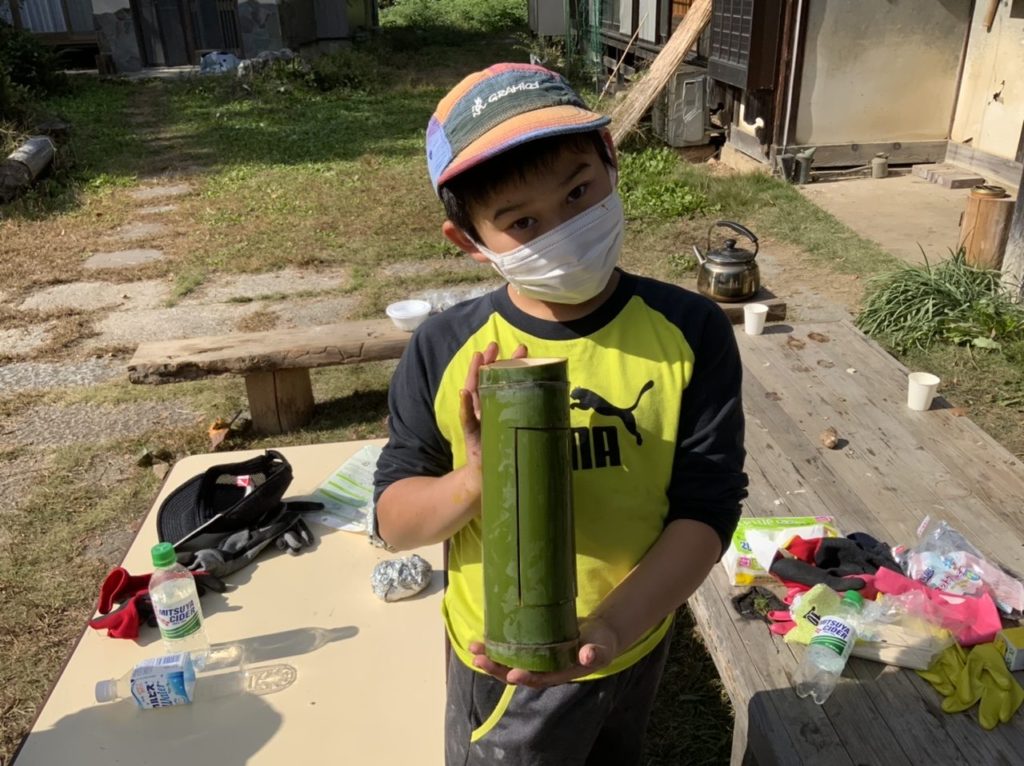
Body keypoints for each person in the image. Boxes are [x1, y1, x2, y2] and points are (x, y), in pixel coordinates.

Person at [372, 62, 748, 765]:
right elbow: (395, 522)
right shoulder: (446, 349)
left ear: (611, 162)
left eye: (578, 192)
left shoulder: (691, 331)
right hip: (502, 661)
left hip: (633, 635)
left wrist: (614, 627)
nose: (565, 228)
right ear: (470, 241)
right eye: (523, 222)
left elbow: (706, 508)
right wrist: (477, 478)